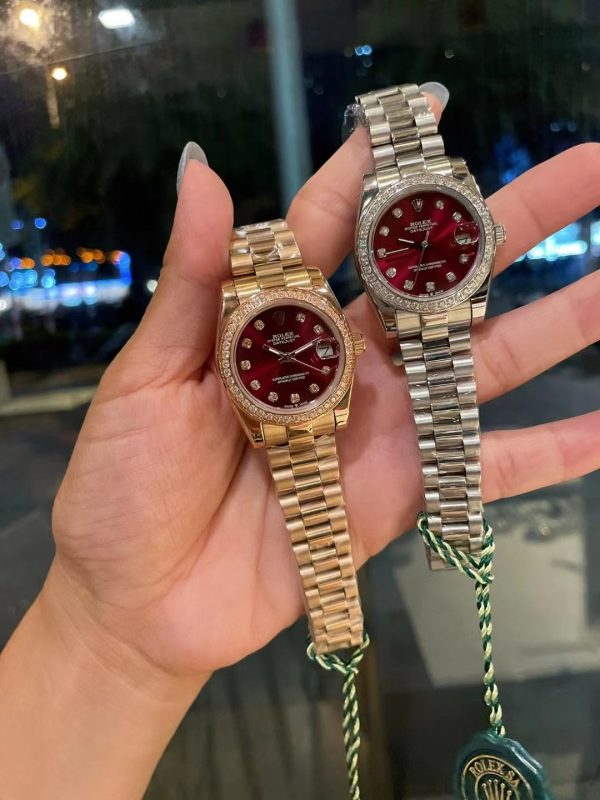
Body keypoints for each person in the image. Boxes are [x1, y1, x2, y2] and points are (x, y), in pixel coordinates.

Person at [1, 86, 600, 800]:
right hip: (296, 424)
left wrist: (103, 643)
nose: (420, 246)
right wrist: (104, 634)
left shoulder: (354, 315)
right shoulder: (294, 340)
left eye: (434, 239)